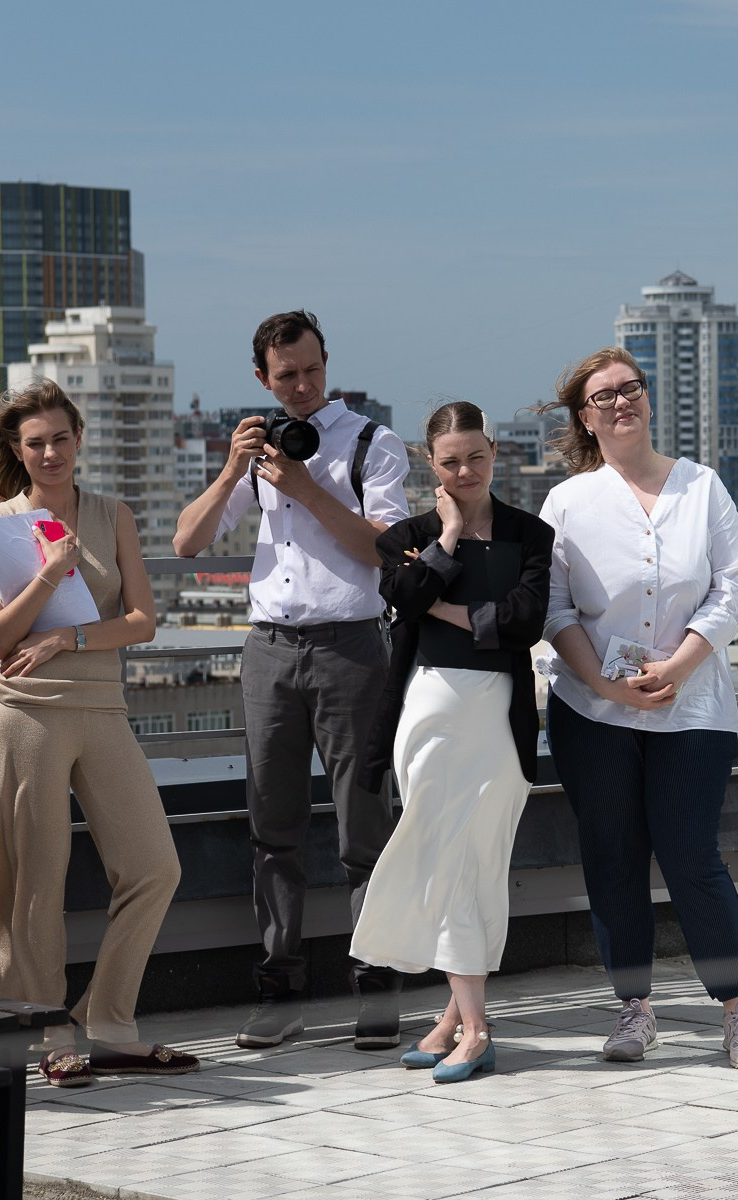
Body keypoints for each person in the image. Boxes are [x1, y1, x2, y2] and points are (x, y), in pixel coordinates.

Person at [173, 309, 411, 1050]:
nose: (302, 386)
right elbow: (187, 542)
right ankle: (279, 993)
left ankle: (376, 989)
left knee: (364, 827)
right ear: (263, 379)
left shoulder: (371, 442)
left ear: (326, 364)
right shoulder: (262, 449)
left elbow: (386, 551)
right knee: (272, 829)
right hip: (270, 650)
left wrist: (306, 489)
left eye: (311, 370)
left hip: (352, 649)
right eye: (286, 376)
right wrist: (231, 469)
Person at [538, 347, 738, 1070]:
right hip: (591, 709)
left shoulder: (703, 486)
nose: (621, 402)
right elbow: (554, 608)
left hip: (692, 706)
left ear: (648, 397)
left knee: (692, 855)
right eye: (603, 396)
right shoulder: (568, 502)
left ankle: (737, 1009)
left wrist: (679, 665)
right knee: (612, 857)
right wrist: (604, 685)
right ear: (585, 417)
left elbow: (730, 588)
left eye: (630, 388)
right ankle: (634, 1009)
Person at [0, 379, 195, 1086]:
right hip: (25, 710)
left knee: (155, 867)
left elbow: (142, 621)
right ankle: (44, 1030)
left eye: (60, 439)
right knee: (35, 881)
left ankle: (109, 1023)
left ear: (78, 439)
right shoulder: (0, 524)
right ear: (17, 450)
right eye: (35, 443)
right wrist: (48, 577)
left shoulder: (111, 514)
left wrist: (67, 636)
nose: (50, 453)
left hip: (101, 704)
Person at [348, 402, 554, 1084]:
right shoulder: (407, 535)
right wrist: (451, 536)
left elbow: (525, 622)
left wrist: (440, 605)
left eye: (476, 457)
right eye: (450, 461)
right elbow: (402, 594)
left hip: (500, 720)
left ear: (494, 451)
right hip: (429, 715)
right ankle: (472, 1027)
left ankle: (460, 1022)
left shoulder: (531, 533)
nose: (465, 471)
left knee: (477, 862)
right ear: (428, 463)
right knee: (443, 856)